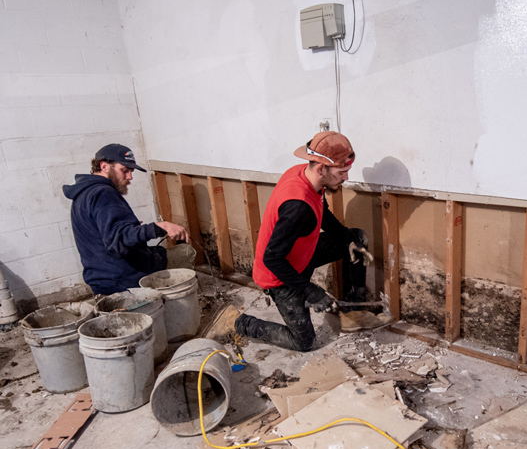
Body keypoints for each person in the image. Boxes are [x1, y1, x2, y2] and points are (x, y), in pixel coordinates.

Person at [207, 131, 372, 352]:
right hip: (281, 275)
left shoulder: (304, 174)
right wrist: (312, 292)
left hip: (302, 253)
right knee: (304, 342)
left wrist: (347, 238)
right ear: (322, 169)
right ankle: (235, 321)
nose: (346, 178)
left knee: (357, 238)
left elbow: (321, 212)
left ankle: (354, 310)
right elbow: (272, 258)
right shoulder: (298, 206)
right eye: (342, 172)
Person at [63, 143, 195, 295]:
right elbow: (118, 241)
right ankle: (179, 305)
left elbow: (108, 233)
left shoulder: (84, 194)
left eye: (131, 171)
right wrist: (159, 227)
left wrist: (133, 228)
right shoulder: (103, 193)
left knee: (161, 252)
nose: (130, 177)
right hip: (124, 278)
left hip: (103, 278)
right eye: (124, 170)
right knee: (186, 252)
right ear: (104, 166)